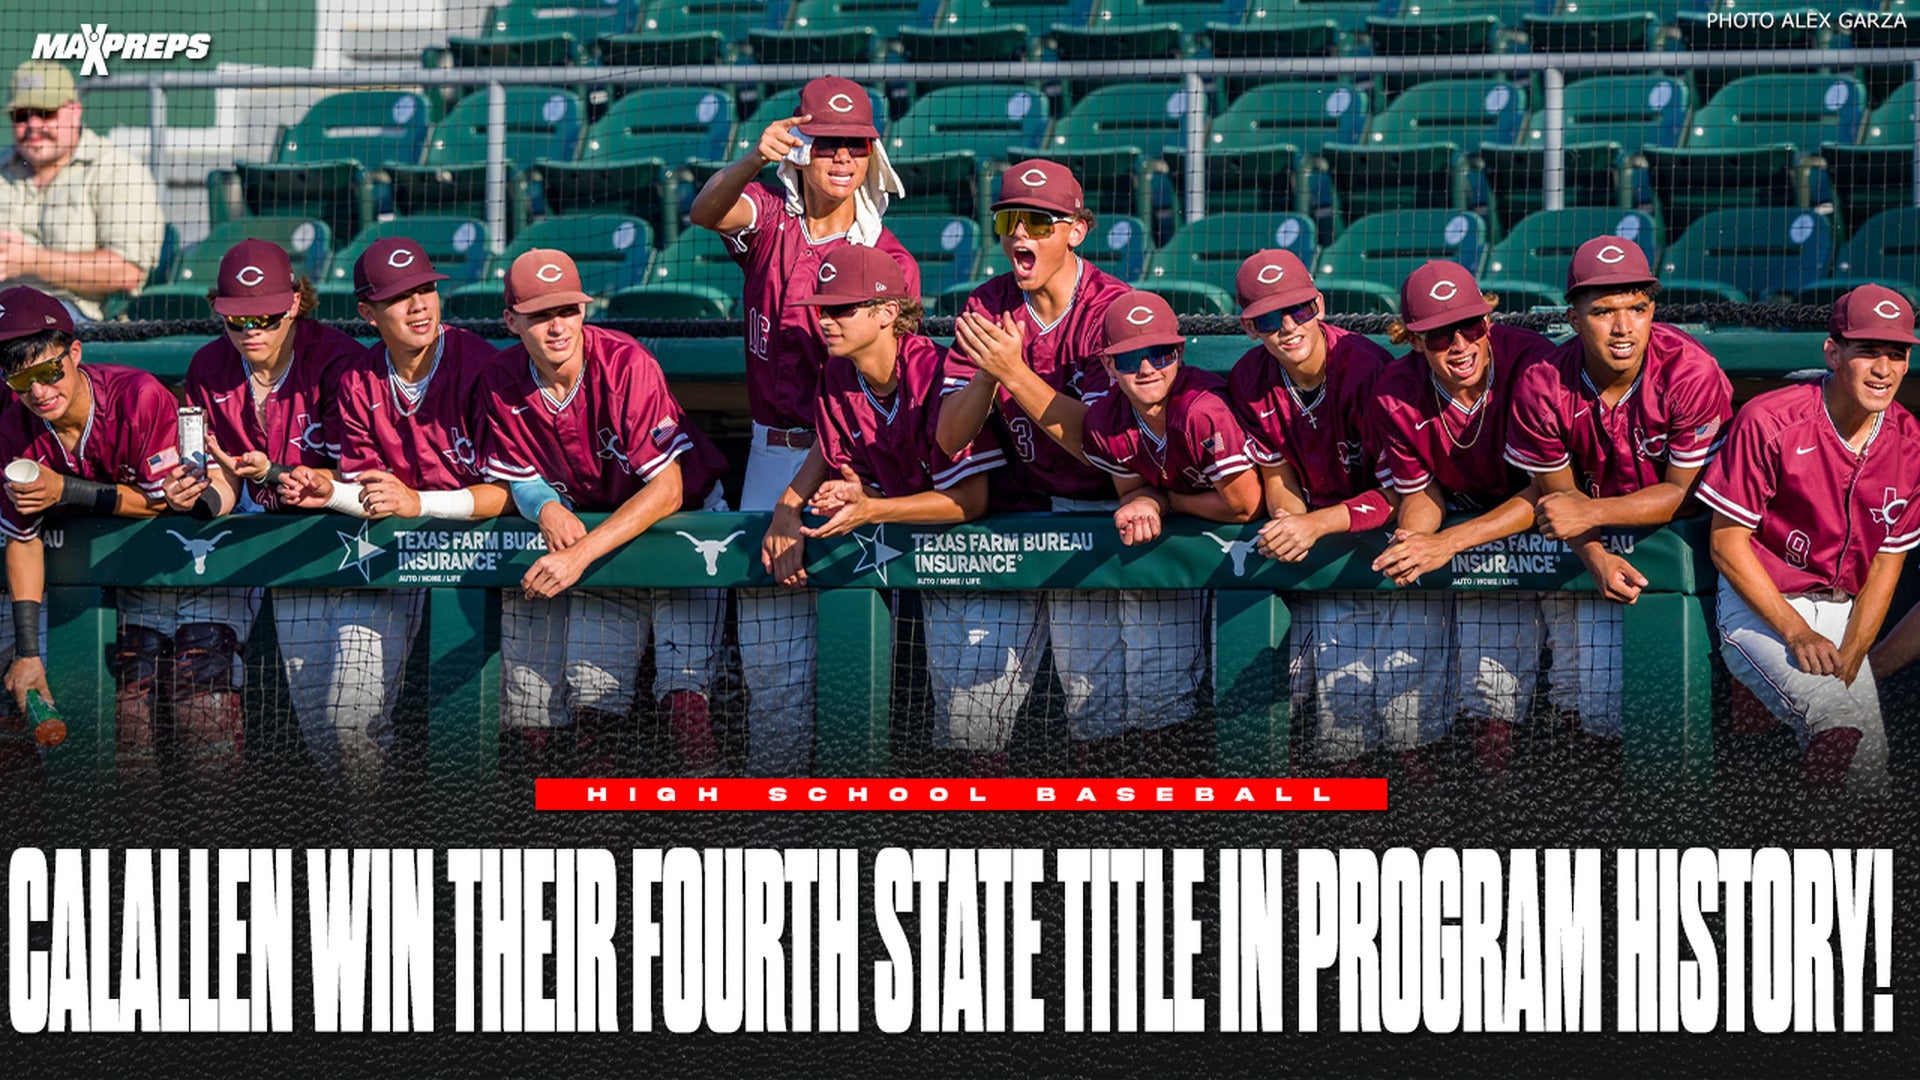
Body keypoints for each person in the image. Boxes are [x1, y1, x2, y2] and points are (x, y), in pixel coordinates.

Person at [690, 75, 918, 776]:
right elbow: (705, 210)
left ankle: (853, 802)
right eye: (826, 142)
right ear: (801, 148)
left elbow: (886, 389)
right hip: (770, 452)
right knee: (769, 660)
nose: (842, 156)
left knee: (856, 648)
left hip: (854, 465)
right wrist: (752, 157)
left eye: (856, 144)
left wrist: (804, 498)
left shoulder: (889, 259)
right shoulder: (771, 217)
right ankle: (776, 803)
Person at [271, 237, 510, 798]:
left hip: (486, 556)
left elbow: (508, 492)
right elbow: (370, 495)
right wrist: (328, 491)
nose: (420, 305)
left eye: (426, 289)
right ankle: (369, 832)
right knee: (338, 722)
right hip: (395, 555)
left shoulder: (482, 364)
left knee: (510, 728)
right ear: (368, 312)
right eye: (400, 297)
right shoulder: (358, 379)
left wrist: (417, 502)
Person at [478, 249, 731, 776]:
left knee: (684, 693)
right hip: (604, 533)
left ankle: (705, 817)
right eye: (540, 315)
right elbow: (515, 473)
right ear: (511, 322)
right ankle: (599, 820)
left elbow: (668, 489)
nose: (557, 327)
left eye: (567, 310)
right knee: (593, 697)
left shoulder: (625, 364)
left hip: (682, 529)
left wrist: (579, 556)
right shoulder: (501, 379)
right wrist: (544, 505)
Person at [759, 245, 1011, 773]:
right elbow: (840, 457)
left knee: (974, 731)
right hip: (918, 558)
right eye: (822, 309)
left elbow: (971, 500)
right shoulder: (837, 375)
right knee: (930, 729)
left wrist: (873, 509)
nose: (825, 320)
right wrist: (803, 503)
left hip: (987, 558)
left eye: (841, 308)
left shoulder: (933, 372)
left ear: (886, 312)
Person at [933, 160, 1140, 769]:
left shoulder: (1112, 308)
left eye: (1039, 221)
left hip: (1102, 514)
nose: (1020, 233)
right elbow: (949, 437)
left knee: (1097, 707)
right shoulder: (988, 302)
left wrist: (1013, 373)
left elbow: (1103, 445)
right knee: (971, 715)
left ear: (1077, 230)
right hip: (1017, 512)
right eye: (1008, 221)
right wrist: (989, 378)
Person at [1503, 237, 1732, 762]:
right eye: (1603, 311)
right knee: (1590, 708)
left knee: (1677, 719)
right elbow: (1560, 504)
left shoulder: (1690, 372)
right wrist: (1596, 557)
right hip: (1599, 549)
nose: (1624, 326)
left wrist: (1591, 512)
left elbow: (1683, 494)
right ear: (1574, 318)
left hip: (1693, 554)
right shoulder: (1543, 383)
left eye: (1638, 308)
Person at [1695, 284, 1920, 796]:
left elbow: (1887, 563)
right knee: (1836, 725)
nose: (1884, 368)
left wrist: (1855, 651)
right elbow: (1726, 544)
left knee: (1868, 782)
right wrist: (1797, 633)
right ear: (1833, 352)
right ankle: (1805, 843)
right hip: (1763, 605)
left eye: (1897, 353)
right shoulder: (1770, 419)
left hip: (1844, 612)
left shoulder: (1908, 442)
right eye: (1868, 351)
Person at [155, 238, 362, 780]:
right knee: (310, 721)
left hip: (333, 547)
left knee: (343, 721)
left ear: (294, 302)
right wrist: (198, 498)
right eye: (237, 320)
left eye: (266, 317)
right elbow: (219, 473)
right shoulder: (209, 365)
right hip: (260, 541)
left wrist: (274, 472)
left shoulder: (340, 360)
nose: (252, 331)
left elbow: (356, 476)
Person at [1368, 260, 1558, 776]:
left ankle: (1512, 809)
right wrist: (1413, 540)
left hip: (1538, 531)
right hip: (1463, 524)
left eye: (1470, 326)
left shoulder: (1533, 363)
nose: (1459, 345)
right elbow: (1421, 492)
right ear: (1412, 340)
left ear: (1488, 321)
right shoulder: (1395, 390)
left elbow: (1547, 491)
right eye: (1438, 335)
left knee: (1505, 695)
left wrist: (1446, 544)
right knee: (1406, 701)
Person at [1222, 250, 1406, 767]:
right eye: (1267, 319)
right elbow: (1277, 476)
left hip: (1391, 551)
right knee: (1315, 716)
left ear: (1319, 306)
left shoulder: (1367, 367)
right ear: (1248, 327)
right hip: (1322, 558)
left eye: (1298, 310)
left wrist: (1313, 524)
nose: (1287, 327)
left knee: (1407, 722)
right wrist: (1288, 520)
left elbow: (1401, 494)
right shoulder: (1249, 378)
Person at [0, 286, 176, 777]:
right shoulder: (14, 426)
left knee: (178, 712)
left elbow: (161, 503)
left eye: (48, 371)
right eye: (21, 379)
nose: (39, 392)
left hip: (162, 572)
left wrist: (66, 490)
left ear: (74, 353)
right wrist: (27, 652)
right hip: (68, 584)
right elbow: (22, 538)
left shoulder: (138, 397)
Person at [1081, 290, 1261, 769]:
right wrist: (1145, 499)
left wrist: (1165, 501)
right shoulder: (1103, 421)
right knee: (1157, 688)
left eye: (1160, 354)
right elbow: (1131, 489)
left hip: (1260, 552)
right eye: (1129, 358)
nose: (1146, 369)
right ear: (1108, 364)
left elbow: (1244, 506)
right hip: (1188, 551)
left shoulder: (1202, 408)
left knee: (1246, 691)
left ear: (1179, 353)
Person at [0, 62, 165, 321]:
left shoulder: (117, 169)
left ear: (74, 111)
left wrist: (30, 261)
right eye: (21, 115)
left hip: (80, 316)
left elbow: (127, 271)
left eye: (45, 112)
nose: (33, 125)